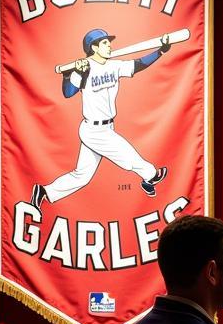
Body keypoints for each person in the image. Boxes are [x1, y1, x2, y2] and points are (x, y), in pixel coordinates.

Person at [31, 28, 173, 210]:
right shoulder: (84, 67)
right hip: (93, 130)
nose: (109, 46)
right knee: (126, 154)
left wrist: (160, 51)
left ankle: (44, 192)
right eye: (105, 43)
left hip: (106, 127)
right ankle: (151, 176)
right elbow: (68, 93)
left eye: (108, 42)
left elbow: (138, 64)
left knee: (82, 175)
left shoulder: (114, 66)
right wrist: (73, 74)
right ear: (94, 47)